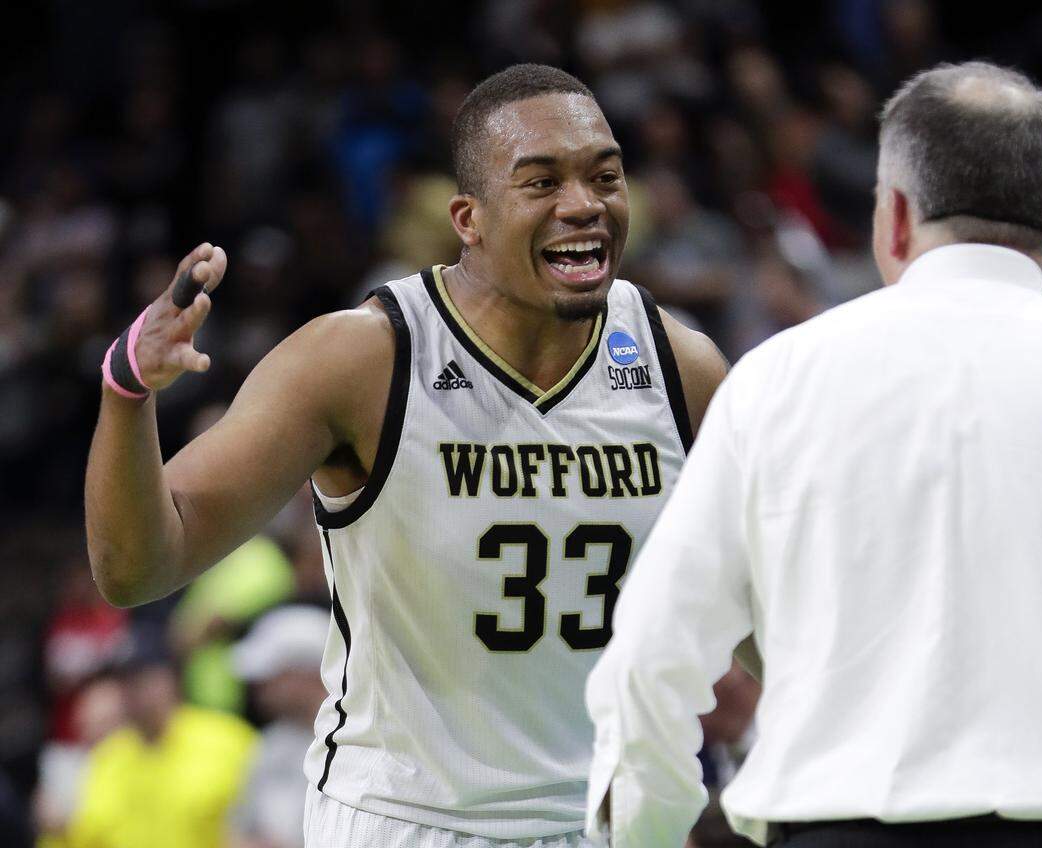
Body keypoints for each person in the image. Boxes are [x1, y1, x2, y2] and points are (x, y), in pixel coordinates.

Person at [84, 64, 727, 847]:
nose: (584, 204)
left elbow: (762, 610)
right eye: (542, 182)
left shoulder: (678, 366)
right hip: (409, 822)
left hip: (609, 820)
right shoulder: (365, 358)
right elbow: (137, 567)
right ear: (469, 218)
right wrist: (126, 389)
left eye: (606, 176)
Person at [585, 61, 1042, 847]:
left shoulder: (778, 379)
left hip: (837, 825)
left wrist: (647, 833)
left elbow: (650, 658)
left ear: (898, 216)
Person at [65, 637, 258, 848]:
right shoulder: (107, 757)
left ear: (171, 679)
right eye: (124, 683)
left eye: (143, 680)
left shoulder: (228, 739)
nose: (133, 693)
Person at [229, 605, 330, 848]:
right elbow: (238, 832)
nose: (259, 688)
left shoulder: (359, 743)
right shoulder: (270, 744)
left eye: (273, 675)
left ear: (307, 673)